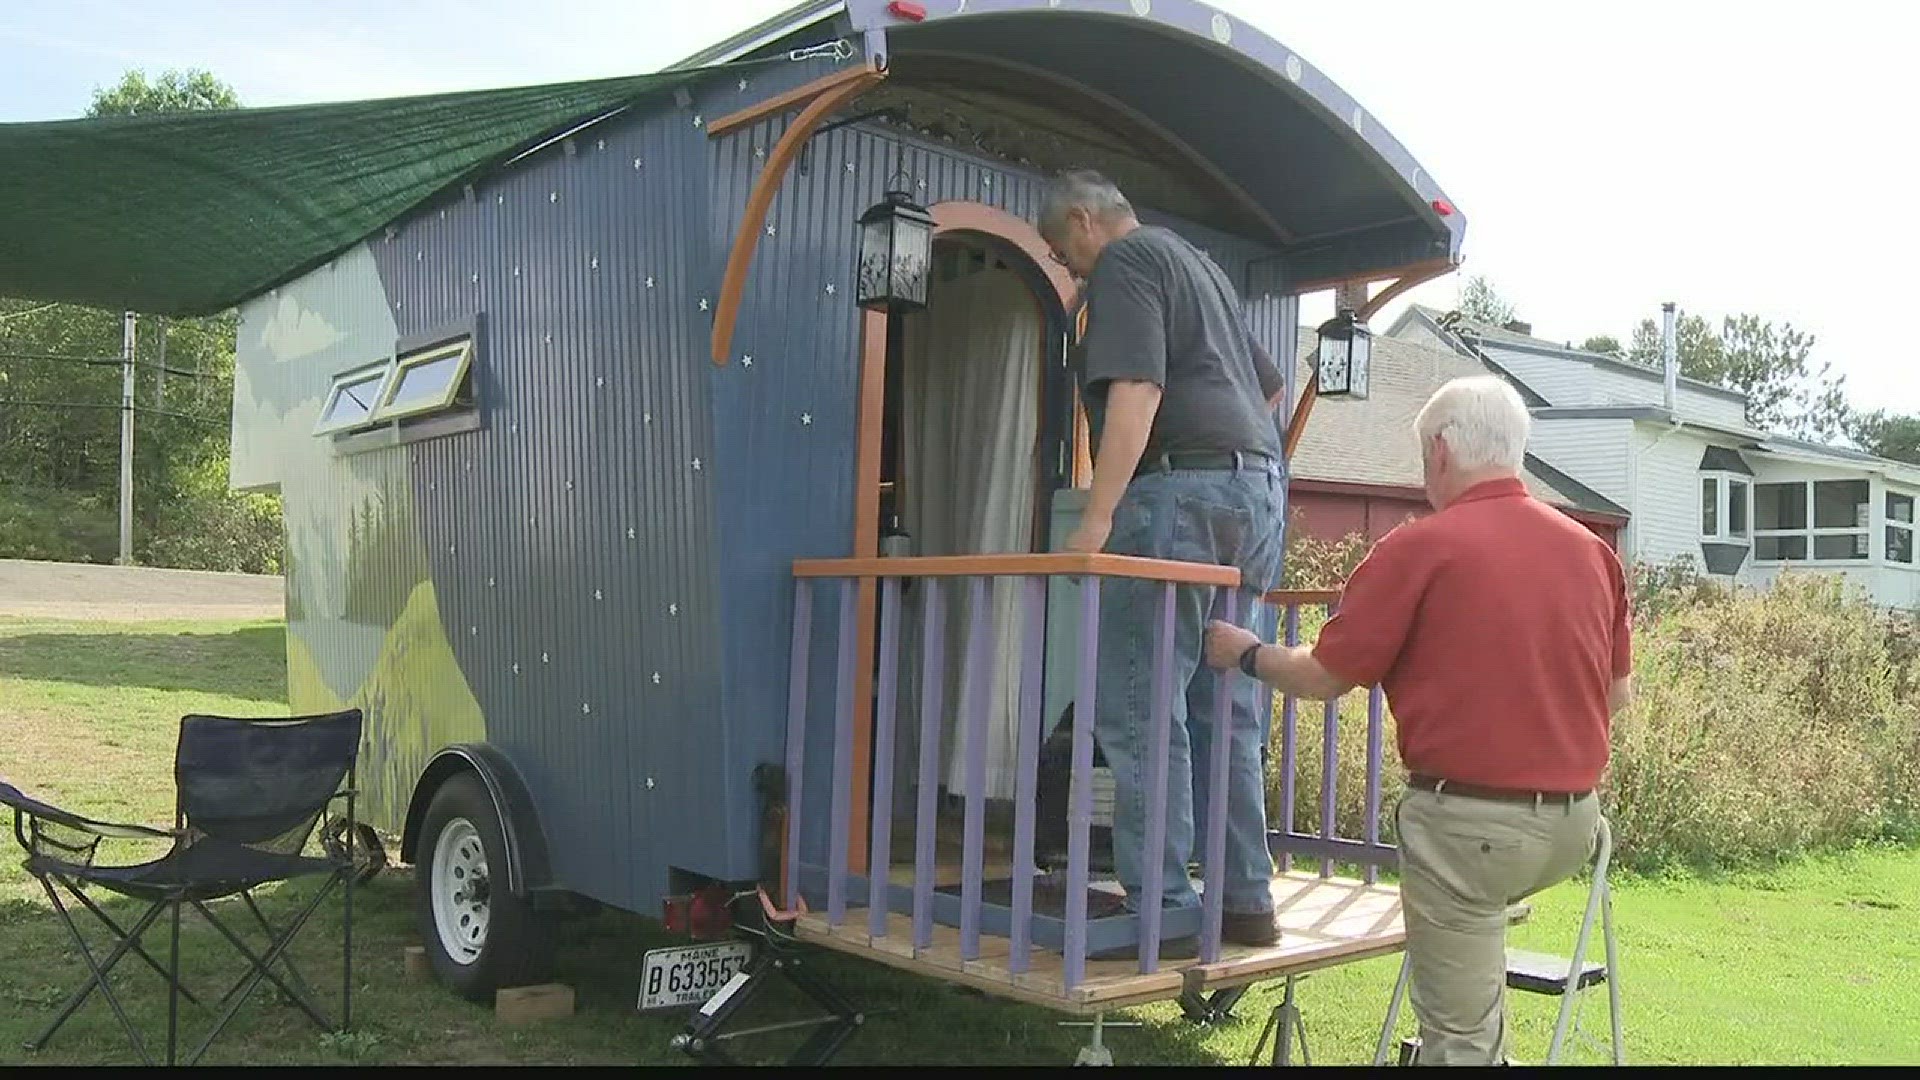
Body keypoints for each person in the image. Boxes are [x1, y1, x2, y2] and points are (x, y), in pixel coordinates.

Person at [1203, 374, 1633, 1064]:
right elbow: (1616, 699)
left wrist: (1248, 654)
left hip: (1470, 827)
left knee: (1456, 1042)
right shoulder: (1594, 553)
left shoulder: (1419, 548)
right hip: (1573, 827)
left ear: (1440, 451)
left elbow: (1324, 675)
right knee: (1473, 965)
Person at [1041, 169, 1289, 958]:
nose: (1070, 271)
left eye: (1061, 252)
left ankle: (1162, 911)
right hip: (1257, 493)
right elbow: (1269, 389)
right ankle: (1245, 899)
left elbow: (1138, 392)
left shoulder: (1126, 262)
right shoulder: (1201, 266)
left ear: (1085, 221)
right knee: (1225, 704)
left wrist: (1099, 520)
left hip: (1179, 493)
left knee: (1144, 702)